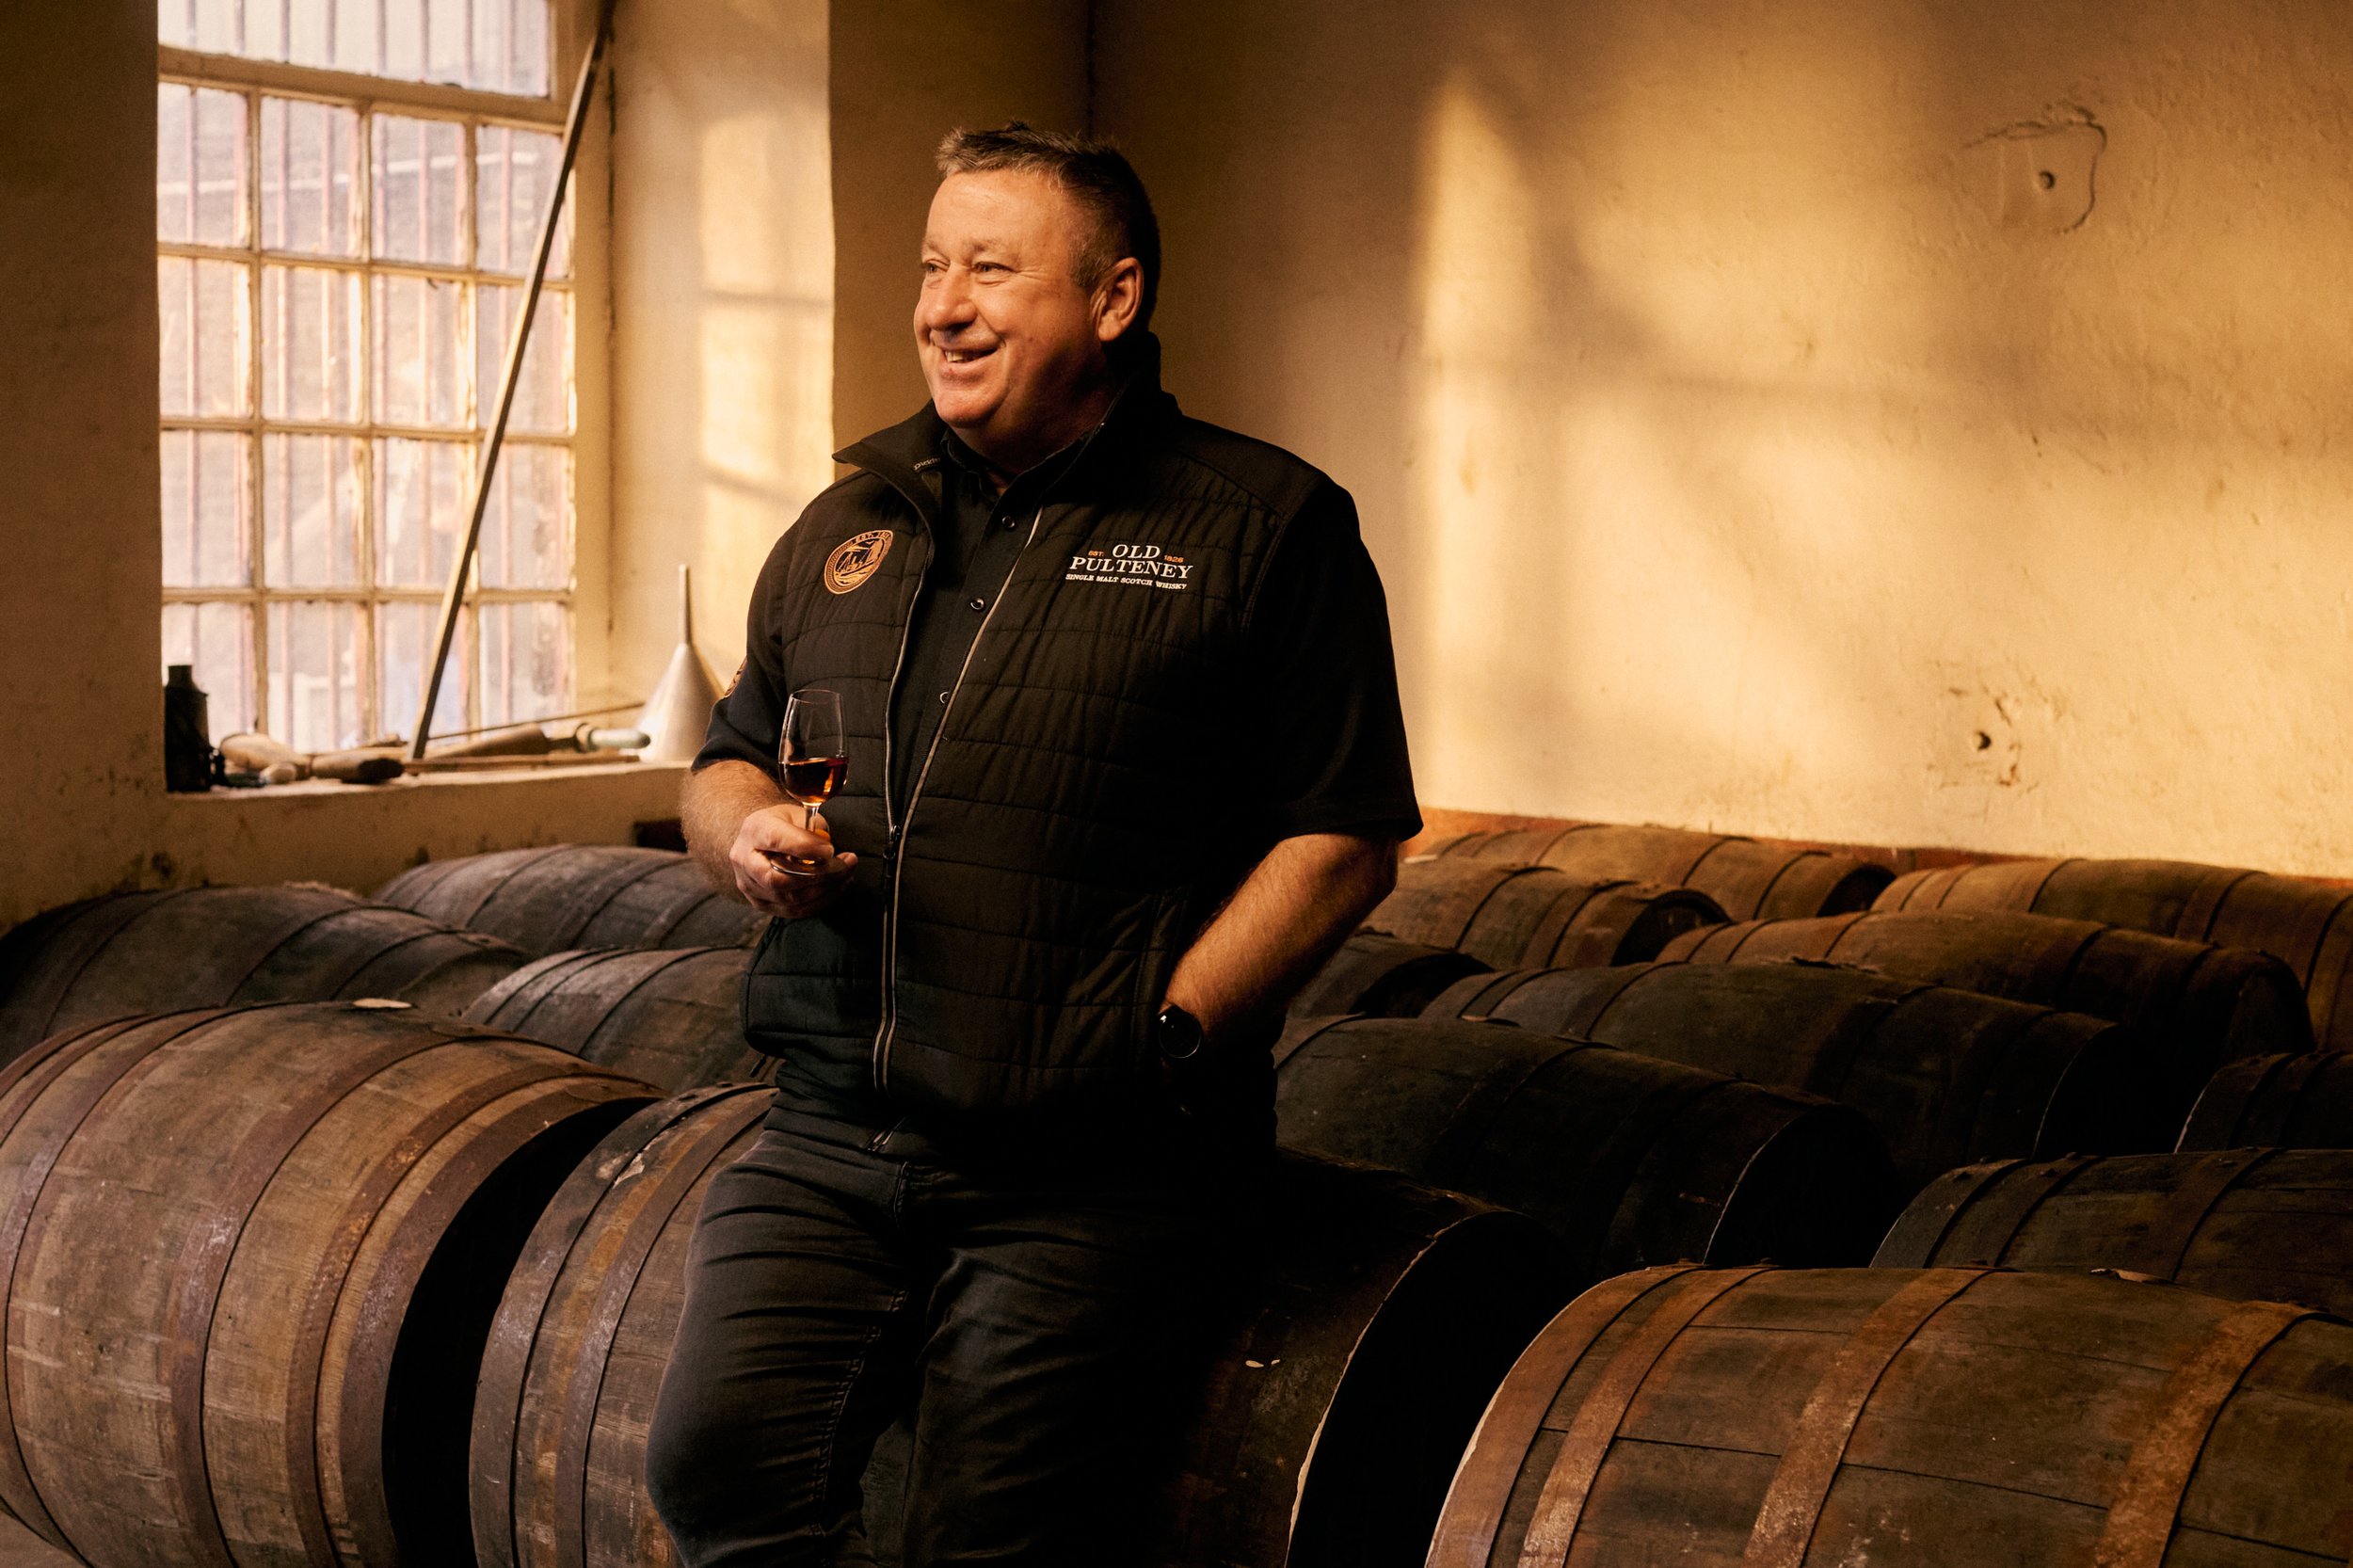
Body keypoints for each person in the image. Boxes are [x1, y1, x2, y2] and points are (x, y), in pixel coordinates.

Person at [644, 122, 1420, 1567]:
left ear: (1113, 300)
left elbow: (1347, 833)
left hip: (1083, 1171)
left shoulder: (1264, 525)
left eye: (992, 268)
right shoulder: (841, 529)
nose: (944, 304)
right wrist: (741, 829)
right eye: (934, 266)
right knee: (717, 1471)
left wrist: (1165, 1036)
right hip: (828, 1134)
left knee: (990, 1539)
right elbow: (723, 758)